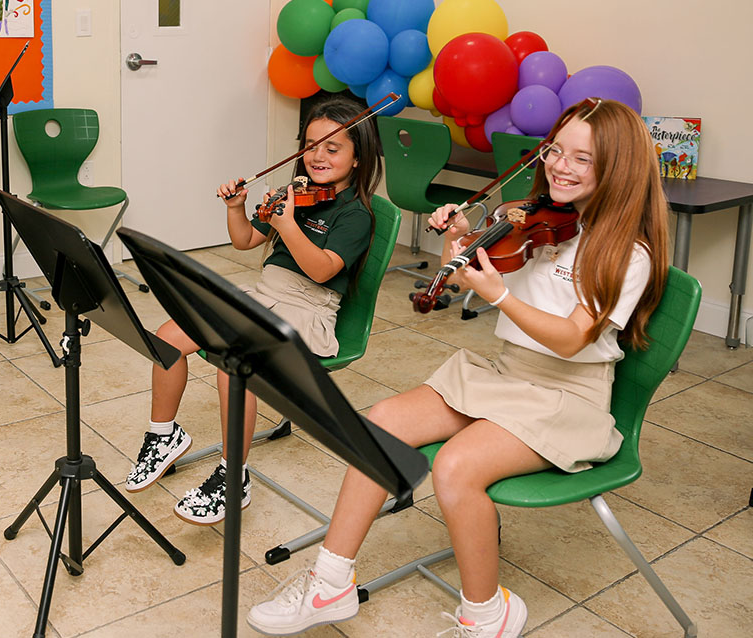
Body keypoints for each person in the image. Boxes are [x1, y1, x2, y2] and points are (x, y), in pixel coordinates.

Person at [245, 97, 669, 637]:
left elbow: (570, 339)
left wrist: (500, 296)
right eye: (556, 150)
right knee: (379, 423)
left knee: (455, 468)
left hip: (566, 397)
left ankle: (487, 615)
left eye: (582, 159)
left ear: (619, 168)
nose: (560, 166)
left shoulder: (628, 253)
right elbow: (489, 267)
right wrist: (460, 242)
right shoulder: (535, 223)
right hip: (506, 372)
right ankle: (330, 584)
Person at [124, 96, 384, 525]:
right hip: (264, 295)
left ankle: (233, 477)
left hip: (307, 310)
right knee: (168, 336)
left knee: (234, 364)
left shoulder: (356, 215)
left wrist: (288, 226)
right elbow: (244, 240)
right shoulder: (295, 195)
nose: (318, 155)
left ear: (359, 159)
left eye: (332, 148)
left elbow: (321, 272)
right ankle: (163, 436)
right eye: (311, 145)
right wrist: (236, 209)